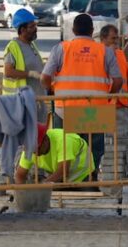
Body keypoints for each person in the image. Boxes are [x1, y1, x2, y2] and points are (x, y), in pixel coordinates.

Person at [41, 13, 123, 177]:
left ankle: (66, 178)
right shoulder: (105, 51)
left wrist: (52, 90)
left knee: (65, 147)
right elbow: (118, 81)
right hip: (95, 109)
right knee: (94, 149)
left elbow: (45, 77)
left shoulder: (61, 49)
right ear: (92, 31)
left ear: (73, 30)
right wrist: (108, 96)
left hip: (65, 108)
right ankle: (91, 178)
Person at [99, 24, 128, 182]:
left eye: (117, 38)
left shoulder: (120, 54)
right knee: (107, 140)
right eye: (113, 38)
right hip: (105, 104)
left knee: (125, 138)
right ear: (103, 39)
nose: (116, 41)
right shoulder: (98, 54)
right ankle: (110, 170)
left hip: (122, 103)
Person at [15, 124, 94, 184]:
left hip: (84, 176)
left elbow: (62, 172)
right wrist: (21, 193)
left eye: (37, 148)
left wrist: (41, 187)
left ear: (45, 140)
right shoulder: (30, 151)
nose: (34, 153)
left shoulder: (64, 140)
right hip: (64, 179)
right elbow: (20, 175)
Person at [3, 9, 45, 97]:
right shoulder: (13, 47)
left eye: (35, 25)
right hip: (20, 100)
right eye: (32, 26)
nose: (35, 29)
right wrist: (30, 74)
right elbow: (8, 72)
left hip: (36, 97)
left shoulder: (31, 45)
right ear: (22, 30)